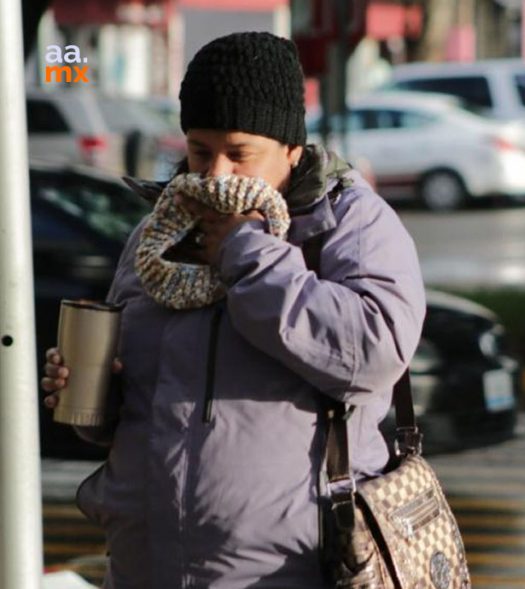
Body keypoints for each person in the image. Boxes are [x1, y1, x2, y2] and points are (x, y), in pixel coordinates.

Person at [40, 32, 426, 587]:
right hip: (146, 564)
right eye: (199, 150)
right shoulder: (158, 235)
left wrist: (246, 252)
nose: (216, 175)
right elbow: (148, 408)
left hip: (289, 571)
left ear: (291, 150)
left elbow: (374, 353)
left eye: (240, 154)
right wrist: (94, 398)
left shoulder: (350, 224)